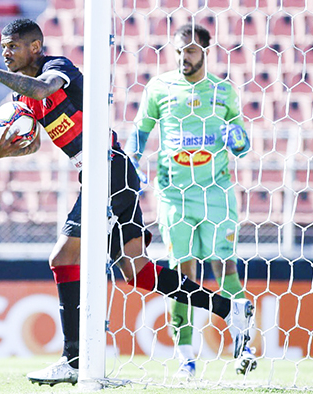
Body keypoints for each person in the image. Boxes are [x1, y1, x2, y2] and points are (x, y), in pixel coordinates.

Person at [0, 18, 255, 386]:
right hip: (105, 175)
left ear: (35, 47)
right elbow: (33, 140)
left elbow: (41, 91)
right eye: (2, 48)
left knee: (63, 257)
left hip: (109, 170)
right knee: (138, 271)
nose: (5, 54)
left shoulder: (57, 69)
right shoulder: (22, 97)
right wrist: (6, 151)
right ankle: (231, 309)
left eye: (12, 47)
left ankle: (74, 358)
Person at [125, 23, 257, 377]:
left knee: (223, 267)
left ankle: (243, 344)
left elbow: (243, 146)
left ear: (206, 51)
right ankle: (186, 358)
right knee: (183, 273)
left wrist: (238, 139)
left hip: (217, 192)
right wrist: (132, 167)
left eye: (192, 51)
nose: (184, 57)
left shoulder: (223, 91)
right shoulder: (160, 87)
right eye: (180, 51)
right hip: (174, 194)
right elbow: (139, 132)